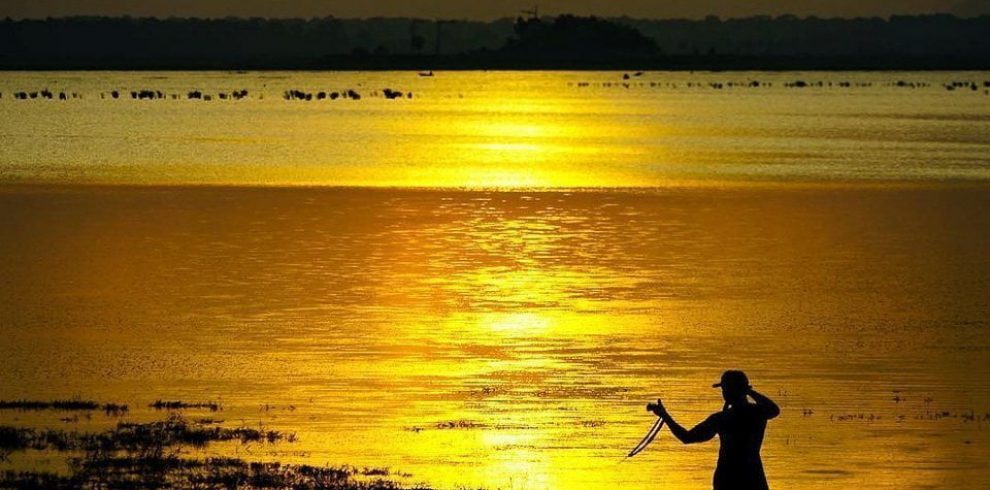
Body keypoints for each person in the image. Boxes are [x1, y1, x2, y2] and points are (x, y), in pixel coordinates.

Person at [649, 370, 779, 490]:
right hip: (753, 476)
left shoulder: (722, 418)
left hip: (727, 479)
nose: (723, 393)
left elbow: (687, 437)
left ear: (728, 392)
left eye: (724, 390)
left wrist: (665, 416)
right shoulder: (757, 413)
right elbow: (774, 409)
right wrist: (748, 391)